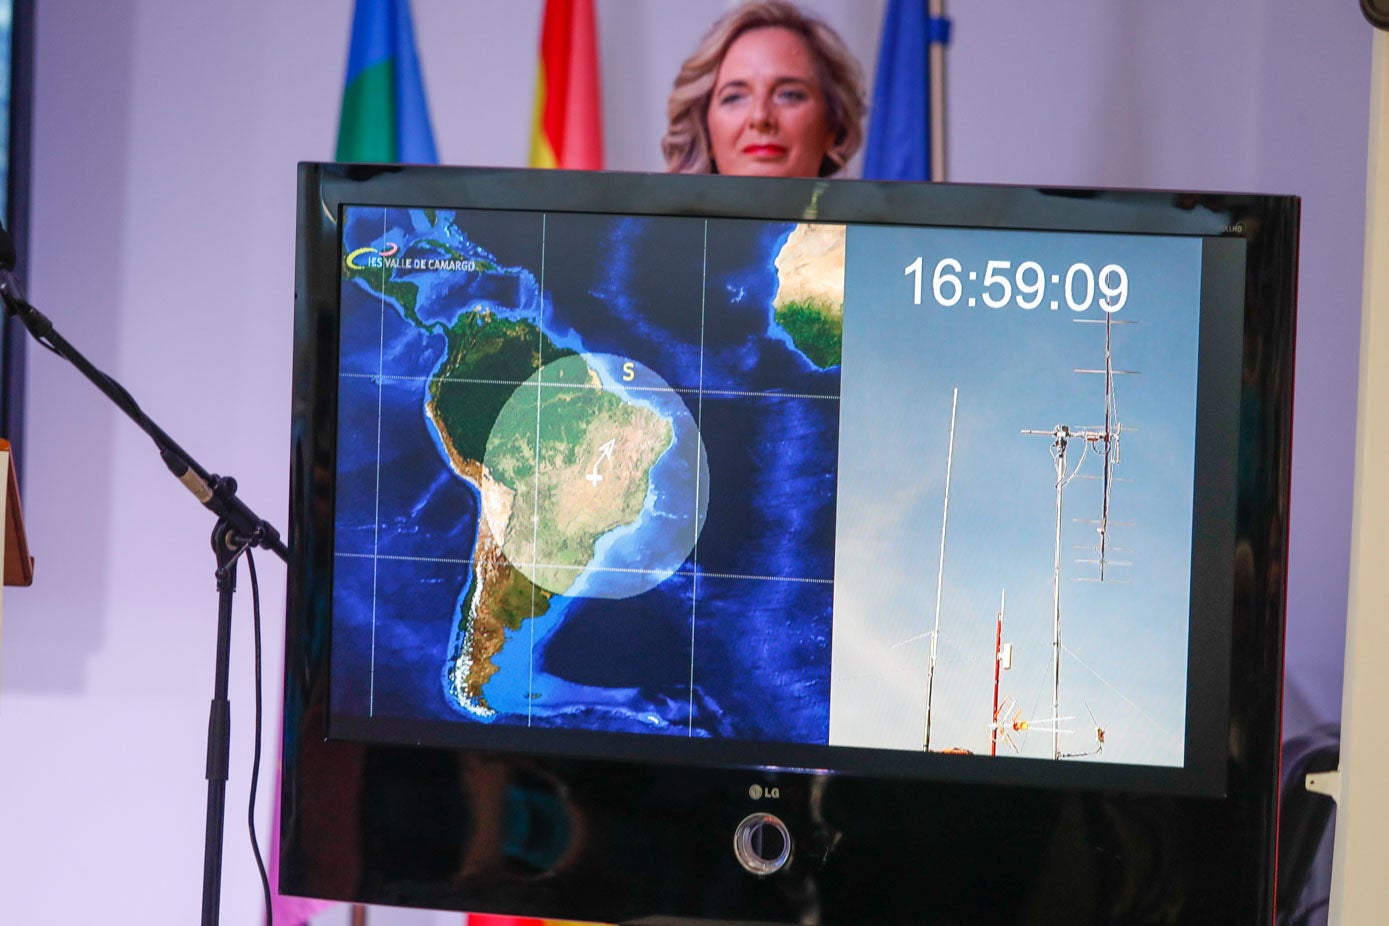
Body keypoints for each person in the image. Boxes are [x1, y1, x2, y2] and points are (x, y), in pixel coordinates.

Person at [663, 1, 866, 179]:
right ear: (706, 131)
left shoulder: (878, 223)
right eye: (734, 98)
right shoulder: (654, 224)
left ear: (833, 124)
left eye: (788, 95)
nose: (760, 117)